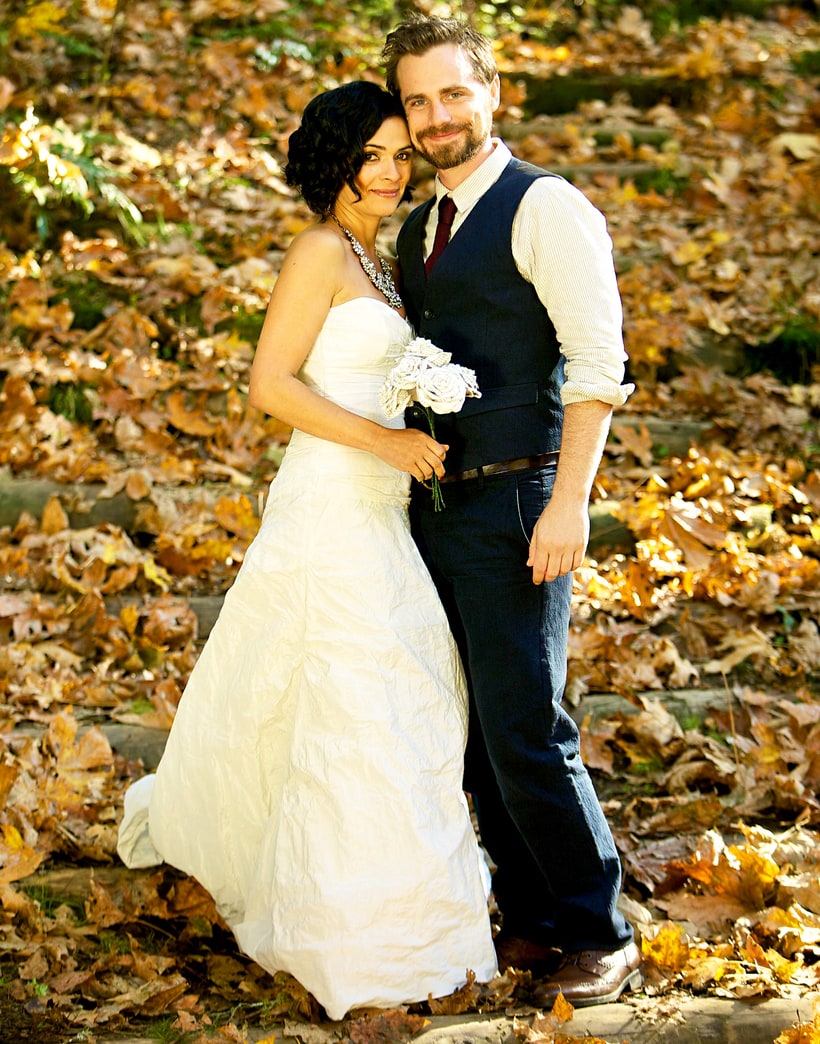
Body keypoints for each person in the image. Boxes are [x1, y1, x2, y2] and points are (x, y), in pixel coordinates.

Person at [116, 80, 498, 1021]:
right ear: (334, 163)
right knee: (354, 697)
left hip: (383, 506)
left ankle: (411, 916)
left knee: (395, 692)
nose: (391, 170)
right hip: (333, 501)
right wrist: (385, 442)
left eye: (401, 154)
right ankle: (351, 936)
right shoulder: (321, 252)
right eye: (372, 154)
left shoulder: (386, 259)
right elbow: (269, 386)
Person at [380, 17, 642, 1008]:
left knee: (530, 725)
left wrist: (567, 504)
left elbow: (597, 368)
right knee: (481, 731)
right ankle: (533, 917)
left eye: (453, 94)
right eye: (418, 101)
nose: (437, 116)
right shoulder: (423, 227)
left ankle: (600, 928)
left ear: (489, 91)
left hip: (527, 496)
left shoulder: (546, 208)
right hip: (442, 511)